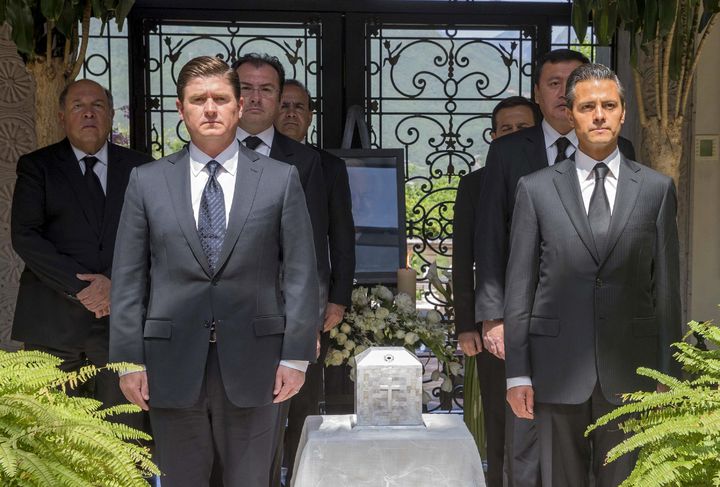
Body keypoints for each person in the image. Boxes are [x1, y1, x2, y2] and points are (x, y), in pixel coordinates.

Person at [109, 56, 320, 487]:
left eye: (220, 99)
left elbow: (301, 274)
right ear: (180, 108)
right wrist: (128, 359)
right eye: (198, 100)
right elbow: (129, 278)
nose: (210, 109)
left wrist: (296, 356)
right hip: (170, 364)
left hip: (257, 365)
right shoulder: (146, 181)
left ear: (239, 107)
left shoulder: (280, 179)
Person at [504, 63, 680, 487]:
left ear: (623, 113)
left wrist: (668, 374)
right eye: (587, 107)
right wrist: (518, 373)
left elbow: (666, 290)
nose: (599, 115)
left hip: (633, 373)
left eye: (609, 105)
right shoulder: (536, 189)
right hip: (555, 369)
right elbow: (520, 288)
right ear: (570, 114)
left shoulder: (656, 190)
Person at [474, 49, 636, 486]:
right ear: (537, 93)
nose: (564, 92)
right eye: (554, 83)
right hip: (526, 316)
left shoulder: (621, 151)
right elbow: (491, 235)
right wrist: (493, 315)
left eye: (573, 82)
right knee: (527, 435)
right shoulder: (508, 151)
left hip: (597, 328)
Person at [11, 79, 152, 427]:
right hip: (52, 323)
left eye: (97, 105)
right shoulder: (37, 166)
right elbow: (25, 236)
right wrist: (83, 288)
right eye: (78, 106)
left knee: (125, 435)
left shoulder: (141, 168)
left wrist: (113, 285)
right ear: (62, 116)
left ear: (111, 114)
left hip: (121, 327)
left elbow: (156, 238)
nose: (88, 113)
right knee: (52, 436)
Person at [231, 54, 329, 487]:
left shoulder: (304, 163)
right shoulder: (199, 155)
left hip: (273, 323)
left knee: (262, 446)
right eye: (245, 88)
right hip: (203, 326)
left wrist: (305, 325)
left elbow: (310, 252)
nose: (255, 98)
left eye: (266, 89)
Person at [452, 95, 540, 487]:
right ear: (493, 136)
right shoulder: (475, 184)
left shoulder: (555, 176)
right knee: (500, 416)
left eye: (523, 128)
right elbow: (464, 258)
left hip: (550, 318)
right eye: (506, 129)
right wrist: (467, 323)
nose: (514, 135)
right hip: (496, 323)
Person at [274, 79, 356, 482]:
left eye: (299, 107)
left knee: (304, 401)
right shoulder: (248, 159)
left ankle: (300, 477)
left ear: (309, 116)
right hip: (254, 302)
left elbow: (341, 237)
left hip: (311, 304)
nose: (291, 113)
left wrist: (337, 298)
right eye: (284, 104)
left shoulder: (328, 167)